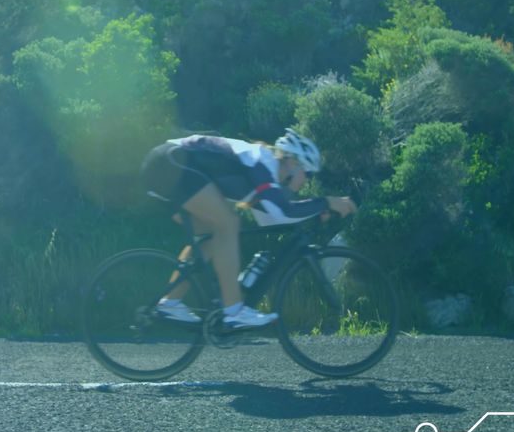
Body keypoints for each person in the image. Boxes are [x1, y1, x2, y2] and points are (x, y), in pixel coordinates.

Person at [139, 128, 358, 328]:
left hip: (163, 166)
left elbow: (274, 218)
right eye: (308, 174)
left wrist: (316, 209)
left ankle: (170, 302)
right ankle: (234, 310)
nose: (307, 182)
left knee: (211, 233)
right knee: (228, 223)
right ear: (293, 162)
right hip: (171, 162)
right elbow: (281, 212)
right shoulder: (262, 160)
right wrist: (327, 202)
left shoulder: (265, 175)